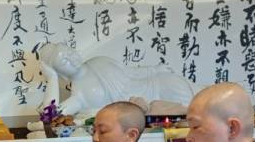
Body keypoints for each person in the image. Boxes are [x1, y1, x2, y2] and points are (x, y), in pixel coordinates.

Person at [35, 42, 194, 116]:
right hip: (140, 112)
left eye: (69, 52)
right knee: (190, 111)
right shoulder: (79, 93)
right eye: (64, 62)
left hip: (153, 86)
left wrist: (155, 70)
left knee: (196, 103)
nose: (72, 59)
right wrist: (52, 78)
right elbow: (51, 117)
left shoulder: (99, 61)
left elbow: (130, 73)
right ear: (60, 73)